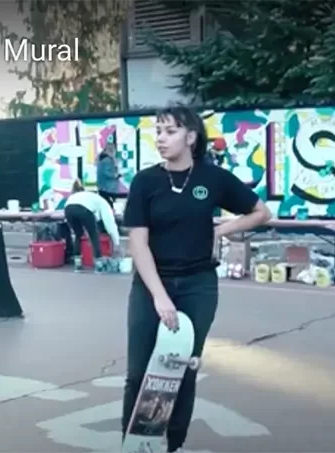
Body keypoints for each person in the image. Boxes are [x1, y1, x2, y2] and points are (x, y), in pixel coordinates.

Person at [122, 105, 272, 452]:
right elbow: (139, 245)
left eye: (170, 131)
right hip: (151, 286)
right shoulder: (145, 182)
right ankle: (133, 444)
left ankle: (173, 444)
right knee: (139, 372)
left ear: (191, 137)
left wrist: (222, 230)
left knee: (182, 368)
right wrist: (160, 297)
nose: (161, 138)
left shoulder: (213, 178)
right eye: (158, 130)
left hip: (198, 287)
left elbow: (261, 212)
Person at [64, 179, 121, 272]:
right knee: (94, 235)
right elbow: (110, 224)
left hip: (68, 208)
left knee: (78, 234)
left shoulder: (83, 195)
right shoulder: (102, 202)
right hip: (83, 209)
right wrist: (117, 243)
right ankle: (99, 264)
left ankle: (77, 264)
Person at [97, 140, 124, 206]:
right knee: (110, 206)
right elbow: (108, 173)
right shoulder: (108, 160)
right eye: (114, 150)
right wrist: (117, 175)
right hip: (109, 189)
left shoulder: (102, 159)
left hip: (103, 187)